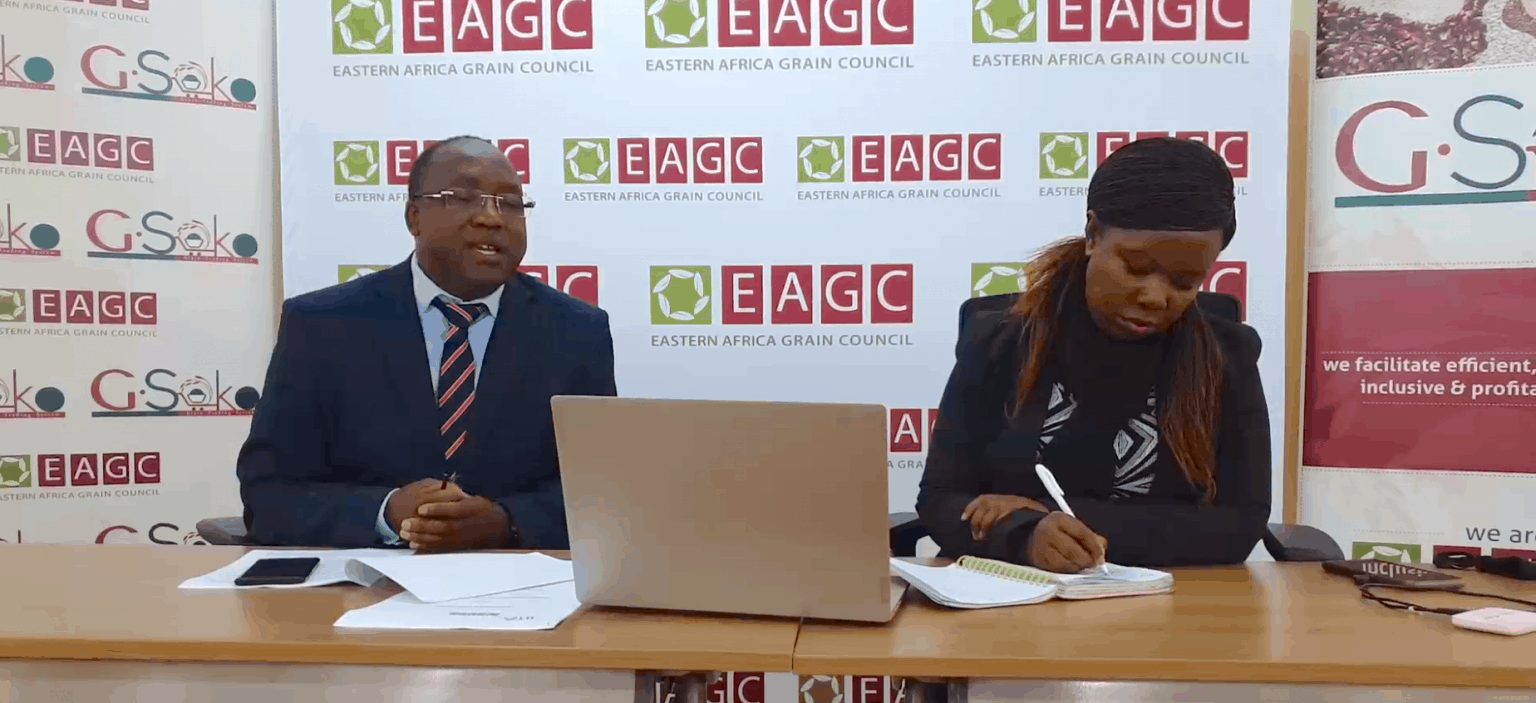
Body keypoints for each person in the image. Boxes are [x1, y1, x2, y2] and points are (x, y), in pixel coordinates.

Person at [237, 135, 616, 552]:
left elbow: (604, 495)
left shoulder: (577, 331)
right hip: (364, 582)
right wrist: (385, 512)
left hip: (519, 580)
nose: (491, 218)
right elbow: (269, 494)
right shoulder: (320, 325)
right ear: (414, 216)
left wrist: (506, 522)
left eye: (510, 203)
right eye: (464, 198)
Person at [917, 137, 1270, 572]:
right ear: (1092, 234)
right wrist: (1025, 538)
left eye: (1185, 281)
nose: (1155, 297)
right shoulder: (998, 340)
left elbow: (1240, 524)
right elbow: (940, 499)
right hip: (1011, 598)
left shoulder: (1227, 357)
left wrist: (1047, 514)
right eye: (1135, 268)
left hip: (1166, 602)